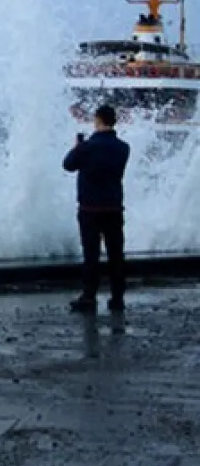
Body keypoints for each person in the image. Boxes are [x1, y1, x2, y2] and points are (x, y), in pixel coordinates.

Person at [62, 104, 131, 313]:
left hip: (90, 209)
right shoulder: (123, 148)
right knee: (116, 254)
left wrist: (77, 147)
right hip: (114, 207)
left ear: (98, 120)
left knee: (91, 254)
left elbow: (68, 164)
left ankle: (89, 297)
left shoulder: (87, 147)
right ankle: (117, 297)